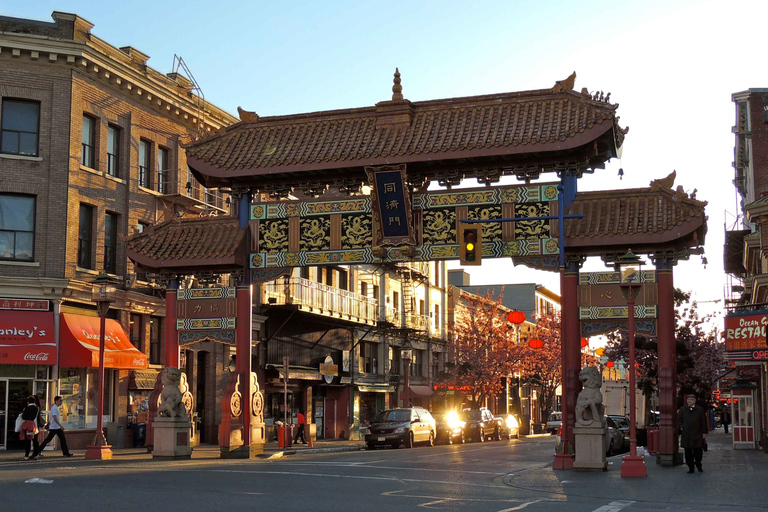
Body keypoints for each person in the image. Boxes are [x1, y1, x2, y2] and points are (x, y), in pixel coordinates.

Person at [678, 393, 707, 473]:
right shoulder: (683, 409)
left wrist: (704, 432)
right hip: (686, 433)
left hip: (697, 433)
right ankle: (690, 467)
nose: (689, 401)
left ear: (695, 401)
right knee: (688, 452)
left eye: (691, 399)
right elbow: (679, 419)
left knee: (698, 451)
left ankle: (698, 464)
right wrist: (682, 427)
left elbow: (703, 421)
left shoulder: (700, 409)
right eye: (688, 399)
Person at [20, 396, 40, 460]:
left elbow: (23, 417)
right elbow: (38, 418)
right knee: (35, 441)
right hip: (35, 426)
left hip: (28, 426)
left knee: (27, 441)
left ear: (28, 401)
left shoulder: (26, 408)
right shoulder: (37, 408)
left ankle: (26, 455)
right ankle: (35, 455)